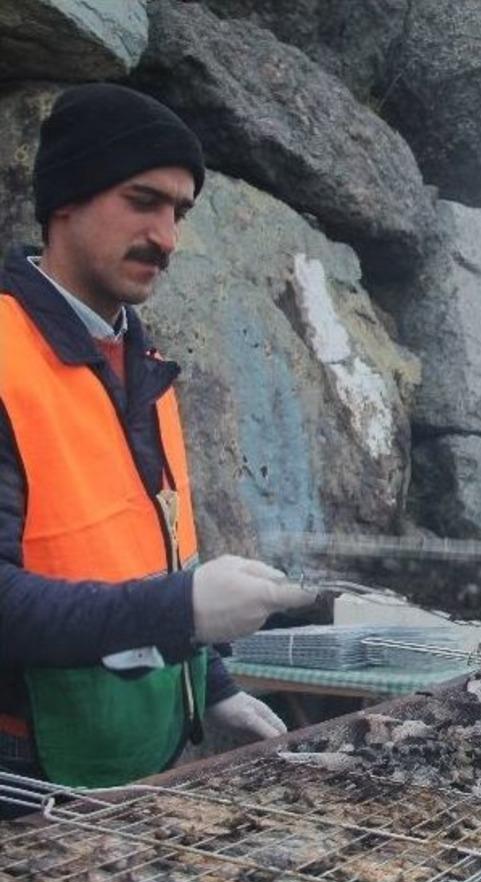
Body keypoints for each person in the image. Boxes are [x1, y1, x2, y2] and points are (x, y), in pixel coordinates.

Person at [0, 84, 317, 792]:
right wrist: (181, 610)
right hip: (23, 780)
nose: (167, 237)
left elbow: (161, 551)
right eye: (143, 201)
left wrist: (214, 683)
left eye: (178, 211)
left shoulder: (144, 367)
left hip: (134, 766)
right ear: (65, 200)